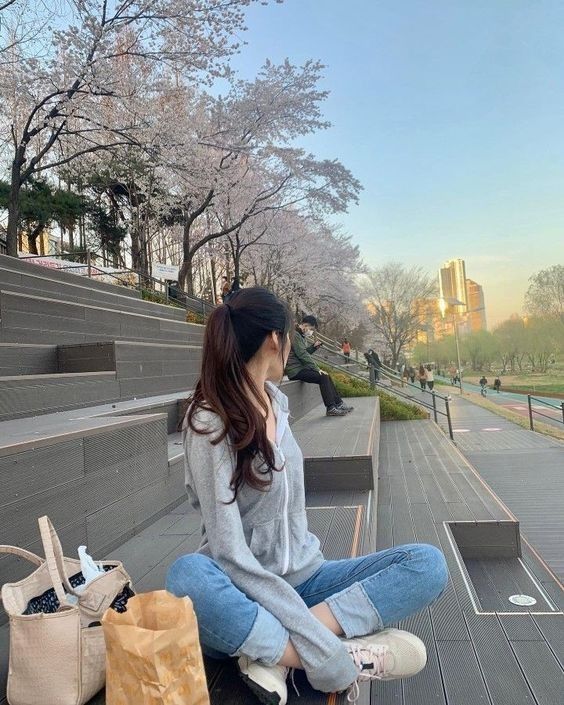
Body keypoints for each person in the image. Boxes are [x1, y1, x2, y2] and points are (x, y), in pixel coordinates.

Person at [165, 288, 448, 704]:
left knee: (427, 564)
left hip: (306, 578)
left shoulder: (276, 404)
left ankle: (276, 655)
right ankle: (332, 654)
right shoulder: (208, 421)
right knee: (187, 577)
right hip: (239, 593)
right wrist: (324, 650)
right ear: (275, 341)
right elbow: (227, 553)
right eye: (291, 338)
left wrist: (303, 624)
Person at [286, 315, 352, 417]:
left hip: (300, 368)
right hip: (295, 370)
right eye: (311, 329)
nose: (311, 332)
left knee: (326, 375)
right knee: (323, 376)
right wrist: (317, 368)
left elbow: (303, 352)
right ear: (305, 325)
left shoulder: (300, 336)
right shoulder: (295, 335)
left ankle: (338, 404)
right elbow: (302, 355)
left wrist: (313, 347)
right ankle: (331, 408)